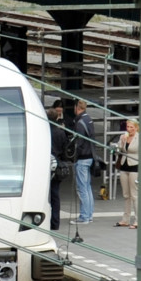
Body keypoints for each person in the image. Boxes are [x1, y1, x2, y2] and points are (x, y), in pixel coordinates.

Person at [69, 98, 97, 224]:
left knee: (82, 189)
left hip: (82, 158)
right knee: (87, 187)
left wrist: (73, 154)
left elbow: (78, 143)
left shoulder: (80, 122)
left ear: (77, 108)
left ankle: (84, 216)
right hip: (90, 156)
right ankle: (89, 215)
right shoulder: (89, 119)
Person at [46, 100, 67, 230]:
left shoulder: (43, 130)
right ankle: (55, 222)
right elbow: (65, 151)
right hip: (57, 164)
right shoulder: (61, 132)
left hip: (45, 164)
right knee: (55, 195)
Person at [115, 119, 140, 228]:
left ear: (136, 128)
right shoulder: (123, 136)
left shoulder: (139, 137)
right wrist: (122, 141)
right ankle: (125, 219)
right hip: (124, 165)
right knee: (126, 195)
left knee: (134, 195)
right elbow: (119, 149)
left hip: (135, 166)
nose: (129, 129)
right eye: (128, 127)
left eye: (131, 127)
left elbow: (137, 150)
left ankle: (138, 220)